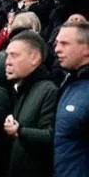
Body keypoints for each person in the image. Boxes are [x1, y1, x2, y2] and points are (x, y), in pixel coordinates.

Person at [1, 30, 56, 177]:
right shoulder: (19, 88)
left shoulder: (48, 90)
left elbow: (51, 137)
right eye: (7, 55)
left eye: (14, 55)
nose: (7, 61)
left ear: (35, 58)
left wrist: (19, 131)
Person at [53, 20, 89, 177]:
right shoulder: (70, 82)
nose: (56, 49)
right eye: (57, 43)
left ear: (86, 49)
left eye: (65, 44)